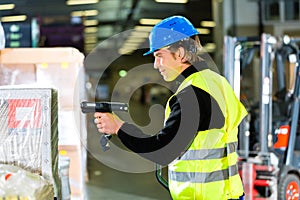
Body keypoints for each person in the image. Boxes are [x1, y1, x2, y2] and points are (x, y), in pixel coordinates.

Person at [94, 15, 247, 200]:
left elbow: (162, 151)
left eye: (159, 56)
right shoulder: (217, 82)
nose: (156, 64)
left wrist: (119, 127)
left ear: (180, 53)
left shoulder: (192, 95)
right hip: (229, 193)